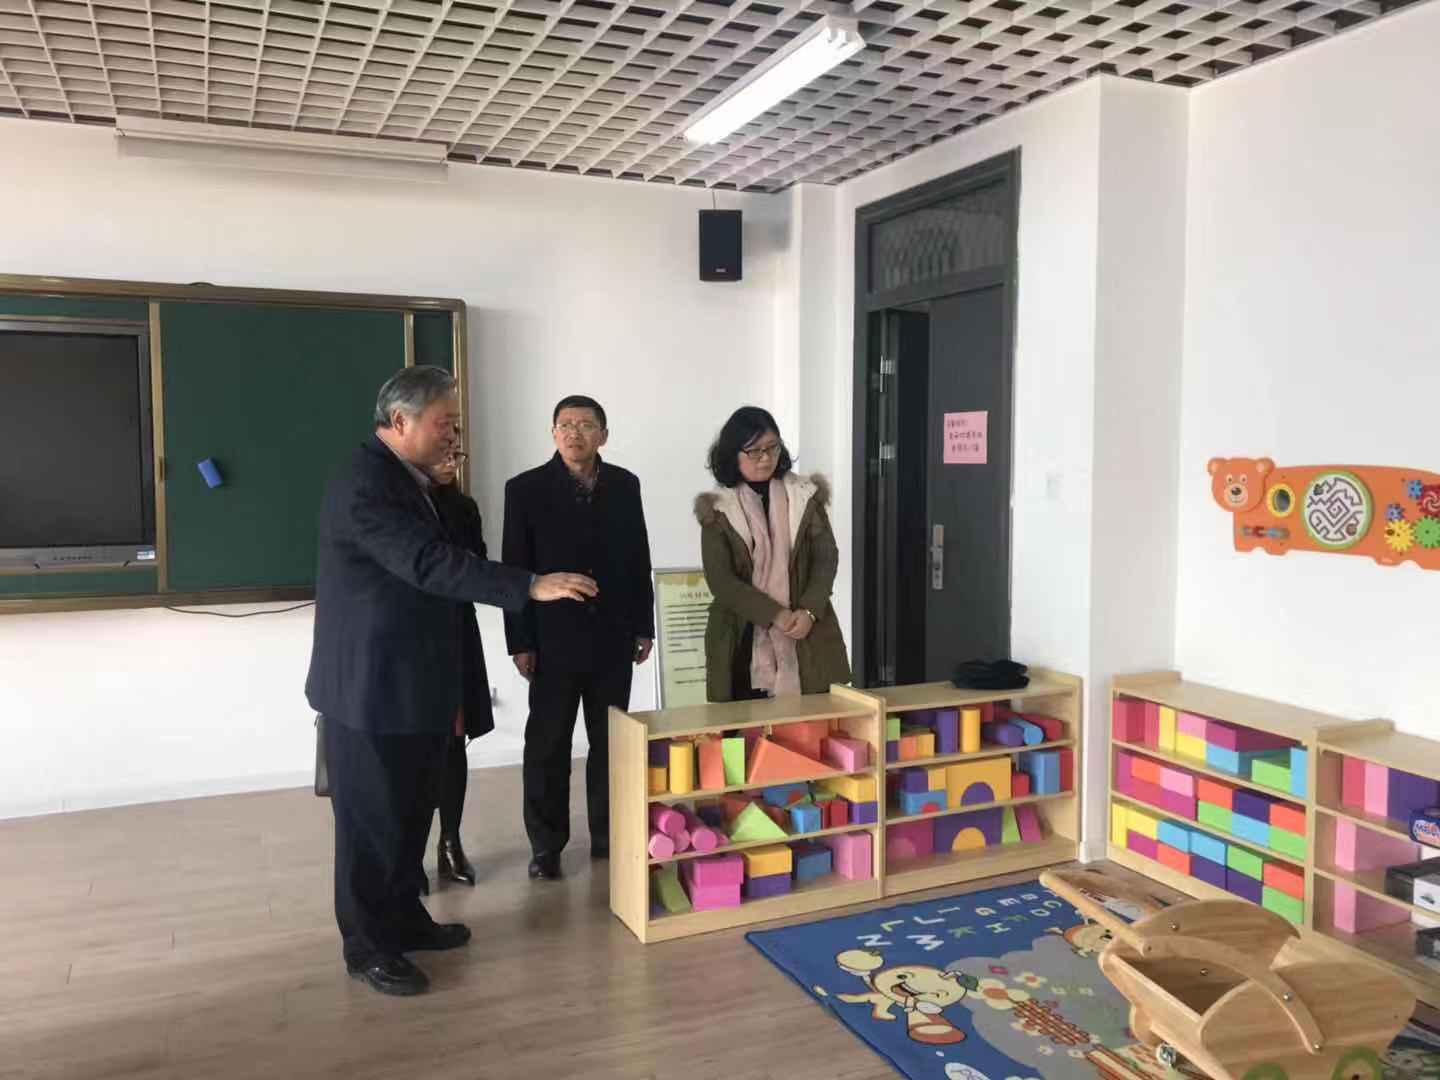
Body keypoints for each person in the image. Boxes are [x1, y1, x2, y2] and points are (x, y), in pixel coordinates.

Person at [306, 366, 596, 997]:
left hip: (417, 684)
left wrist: (448, 489)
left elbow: (457, 550)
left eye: (456, 425)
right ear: (400, 420)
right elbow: (426, 562)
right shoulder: (365, 482)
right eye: (445, 423)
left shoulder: (418, 483)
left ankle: (405, 920)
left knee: (412, 814)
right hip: (370, 688)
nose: (454, 436)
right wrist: (529, 586)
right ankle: (368, 947)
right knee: (372, 825)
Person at [502, 395, 654, 881]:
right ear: (553, 434)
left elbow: (638, 557)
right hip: (552, 641)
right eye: (565, 424)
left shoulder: (625, 485)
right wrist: (519, 641)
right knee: (547, 745)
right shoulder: (524, 489)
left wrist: (643, 625)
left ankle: (608, 835)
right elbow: (514, 568)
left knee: (610, 742)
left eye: (586, 424)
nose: (574, 433)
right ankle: (546, 846)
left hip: (612, 636)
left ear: (603, 435)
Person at [694, 406, 850, 702]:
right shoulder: (717, 509)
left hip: (806, 630)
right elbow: (722, 581)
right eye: (754, 451)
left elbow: (826, 558)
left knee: (810, 720)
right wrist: (775, 614)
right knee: (745, 727)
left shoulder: (805, 496)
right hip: (741, 636)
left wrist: (809, 611)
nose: (765, 458)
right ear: (732, 454)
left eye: (772, 447)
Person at [420, 447, 485, 890]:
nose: (449, 461)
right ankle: (409, 855)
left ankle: (450, 843)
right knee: (414, 749)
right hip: (410, 640)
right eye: (442, 453)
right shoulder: (399, 503)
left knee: (453, 745)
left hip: (455, 634)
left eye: (455, 455)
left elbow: (477, 566)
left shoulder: (464, 507)